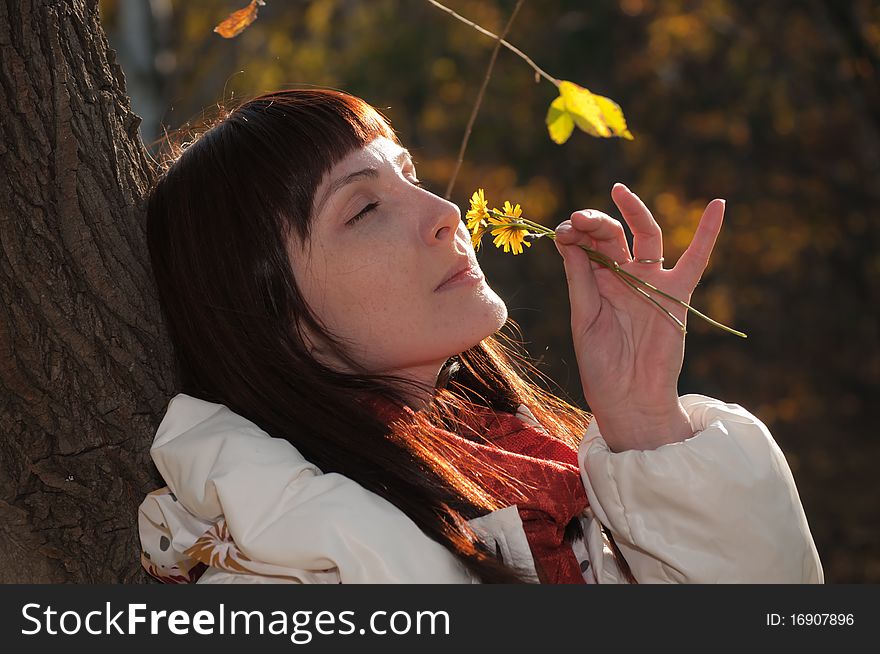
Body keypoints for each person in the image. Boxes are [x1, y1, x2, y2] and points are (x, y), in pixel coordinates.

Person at [137, 88, 823, 584]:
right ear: (277, 321)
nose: (445, 213)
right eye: (367, 207)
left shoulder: (538, 458)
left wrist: (646, 417)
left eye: (411, 175)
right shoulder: (284, 568)